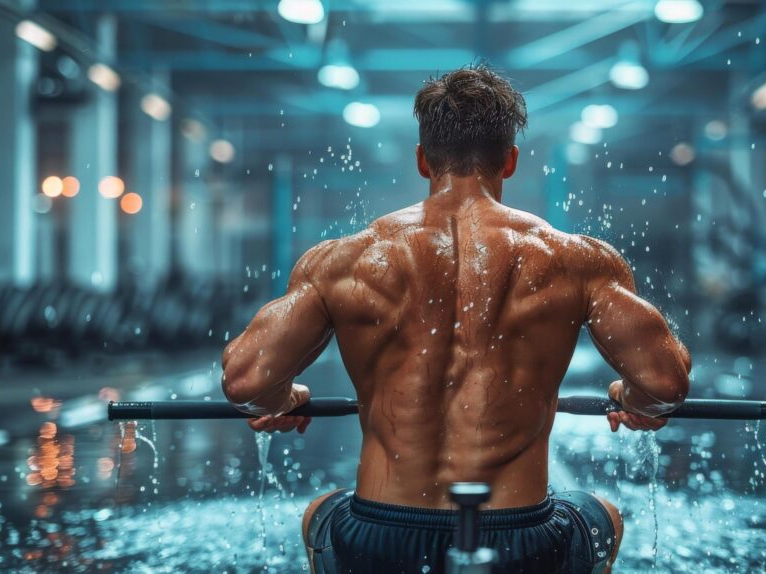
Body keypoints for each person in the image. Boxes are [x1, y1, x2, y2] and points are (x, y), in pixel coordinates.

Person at [221, 64, 691, 574]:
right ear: (509, 161)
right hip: (524, 535)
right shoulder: (577, 260)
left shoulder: (345, 260)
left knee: (320, 512)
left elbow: (247, 380)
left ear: (423, 160)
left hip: (378, 535)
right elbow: (664, 382)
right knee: (604, 517)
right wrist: (634, 401)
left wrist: (282, 401)